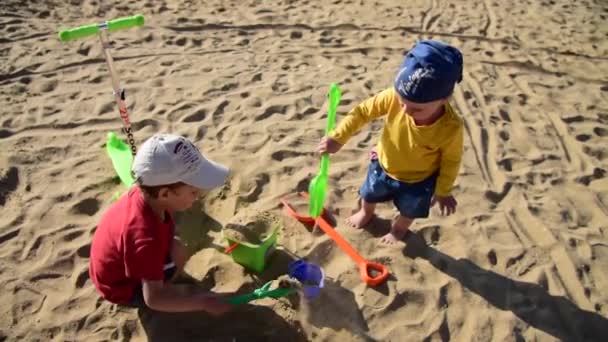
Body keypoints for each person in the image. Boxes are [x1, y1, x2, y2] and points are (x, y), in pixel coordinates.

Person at [317, 40, 465, 245]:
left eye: (417, 109)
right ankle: (365, 213)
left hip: (418, 180)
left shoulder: (451, 128)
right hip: (383, 164)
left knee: (409, 210)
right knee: (368, 194)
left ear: (445, 99)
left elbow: (451, 161)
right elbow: (363, 112)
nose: (405, 111)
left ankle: (397, 230)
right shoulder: (394, 97)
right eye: (403, 103)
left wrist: (443, 191)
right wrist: (338, 137)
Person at [89, 133, 233, 314]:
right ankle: (171, 288)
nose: (197, 198)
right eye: (194, 192)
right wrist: (203, 302)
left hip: (127, 263)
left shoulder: (146, 194)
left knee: (178, 248)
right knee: (179, 258)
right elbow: (153, 299)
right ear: (165, 194)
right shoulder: (145, 237)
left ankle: (170, 281)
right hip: (123, 288)